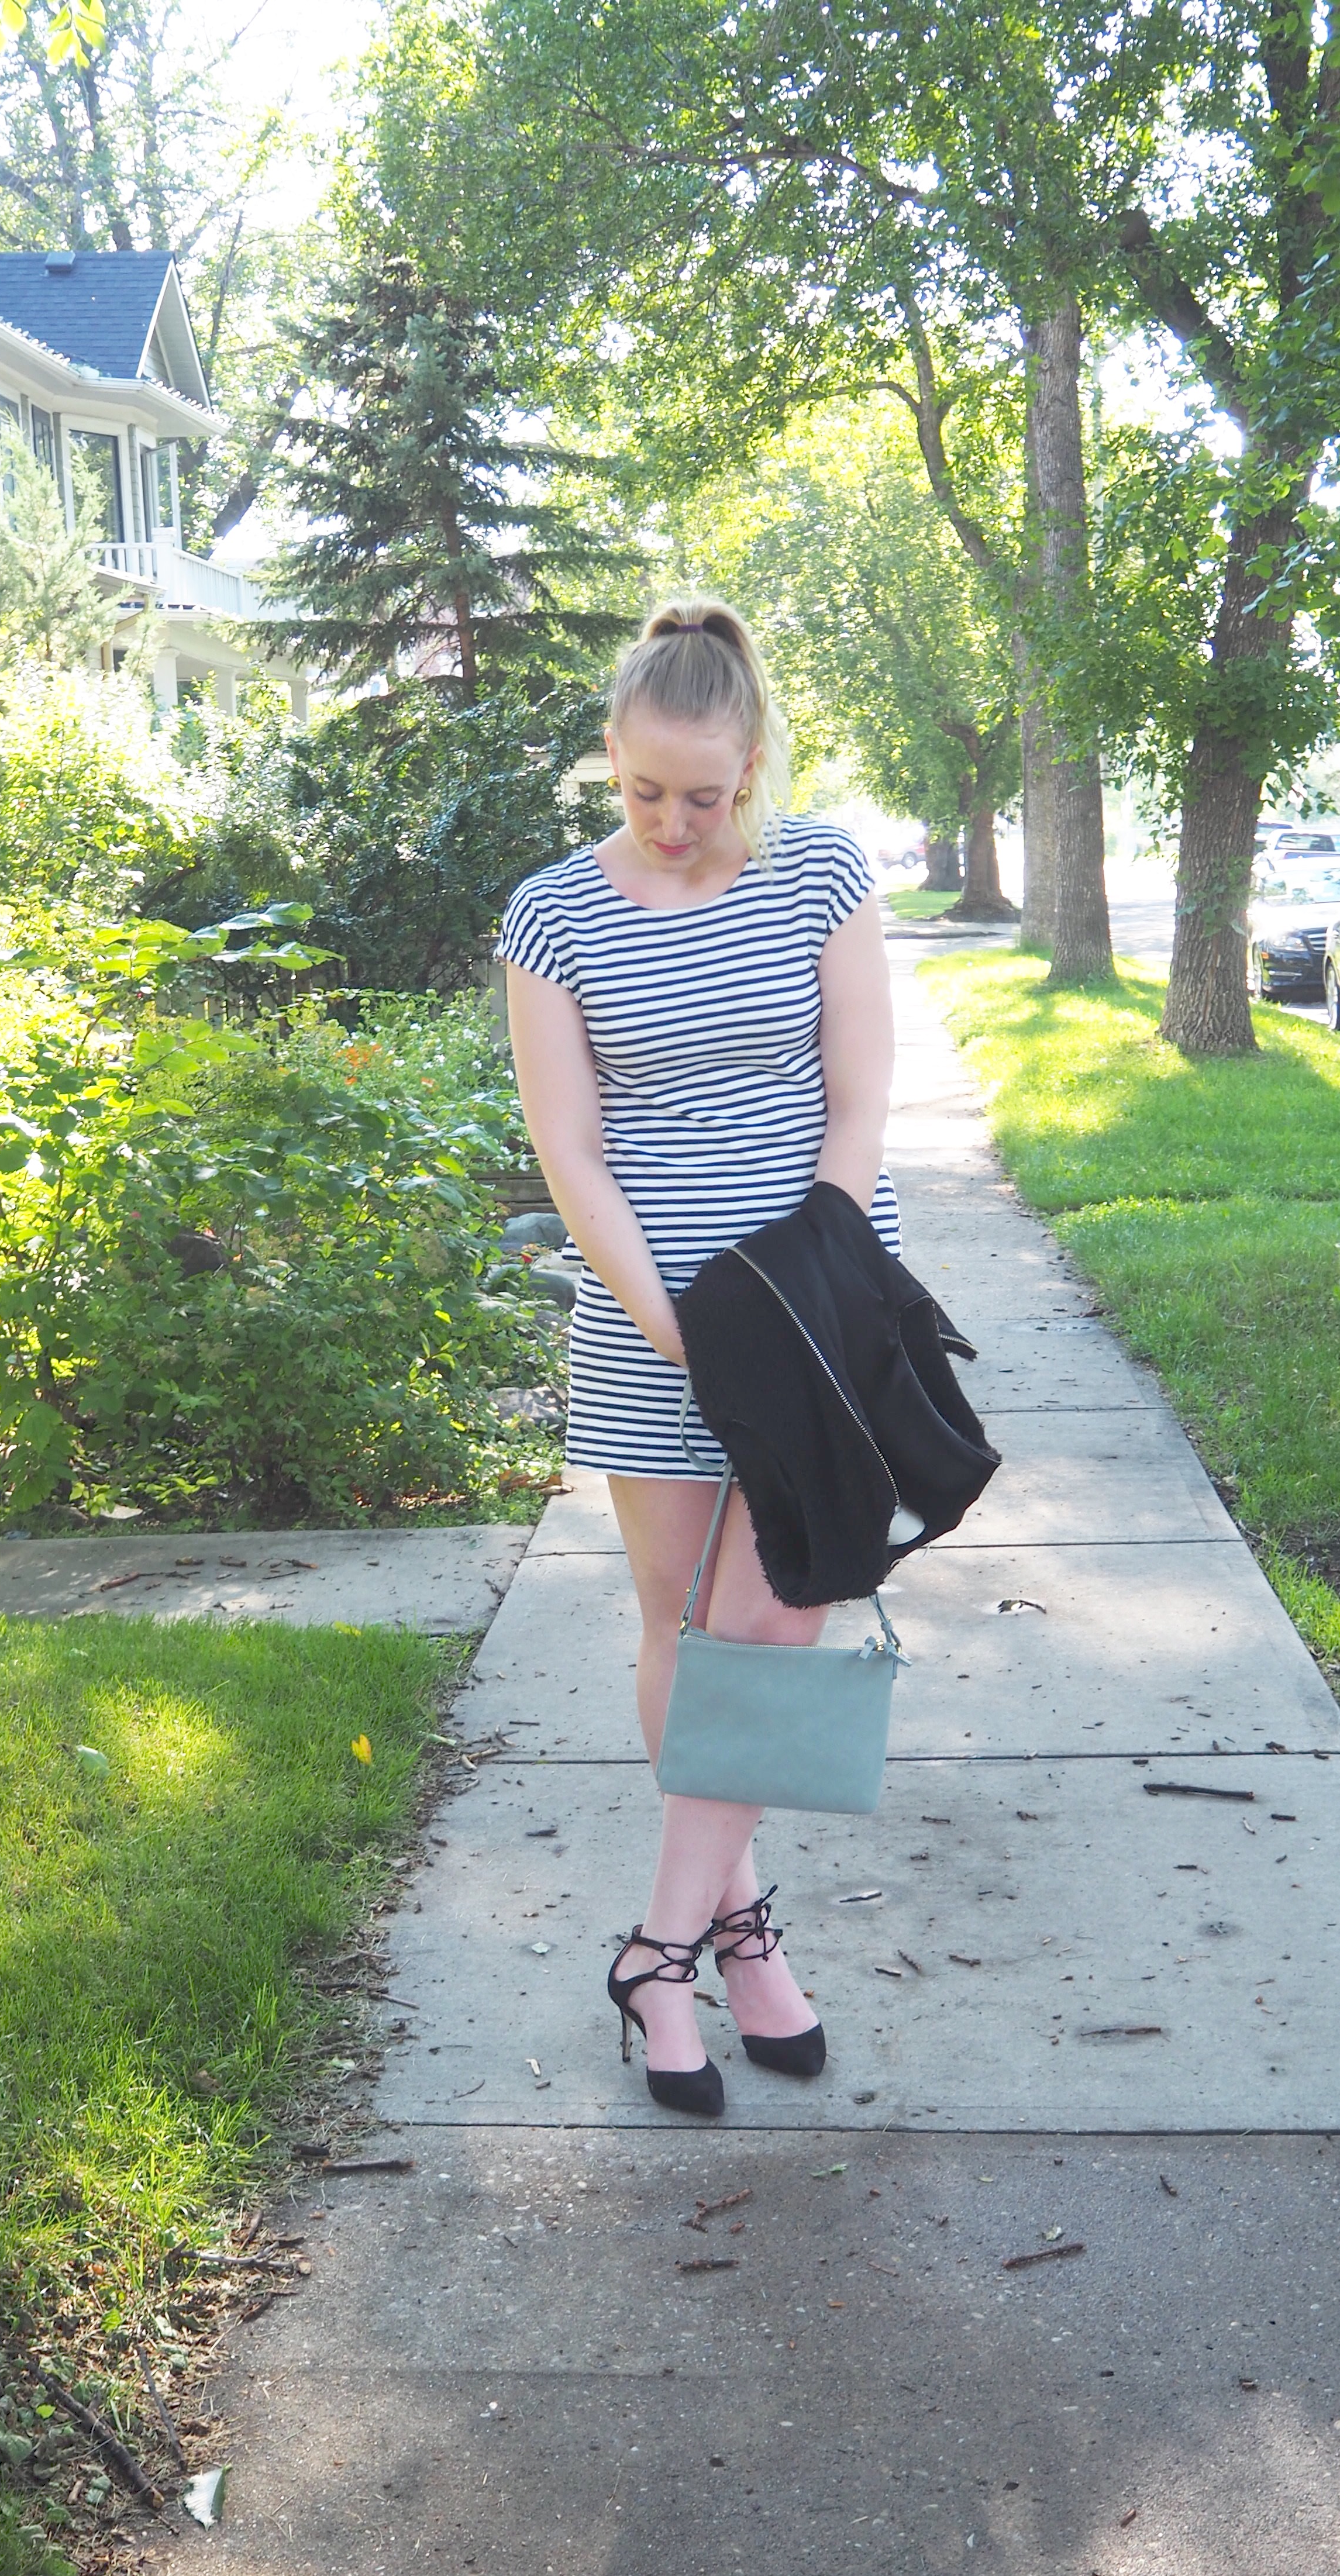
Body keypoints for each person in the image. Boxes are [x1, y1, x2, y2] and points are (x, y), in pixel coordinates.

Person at [495, 595, 896, 2119]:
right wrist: (684, 1331)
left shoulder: (821, 875)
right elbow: (573, 1146)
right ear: (610, 756)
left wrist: (797, 1305)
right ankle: (736, 1931)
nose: (675, 821)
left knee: (775, 1617)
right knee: (680, 1624)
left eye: (707, 796)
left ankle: (655, 1947)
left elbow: (858, 1102)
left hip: (815, 1295)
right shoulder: (552, 913)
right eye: (645, 791)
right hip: (647, 1310)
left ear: (757, 767)